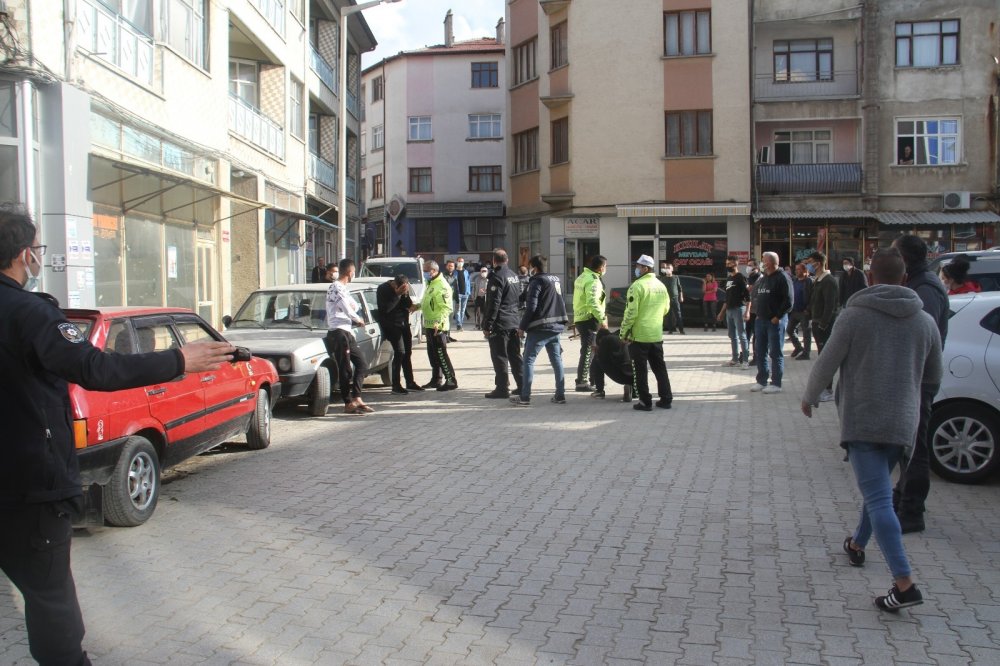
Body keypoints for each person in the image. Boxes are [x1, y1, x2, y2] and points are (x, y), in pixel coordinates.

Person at [0, 207, 237, 666]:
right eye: (37, 251)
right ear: (24, 255)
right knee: (52, 609)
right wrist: (178, 361)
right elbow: (95, 368)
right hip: (29, 488)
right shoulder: (29, 313)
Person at [801, 247, 941, 612]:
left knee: (879, 499)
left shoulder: (854, 317)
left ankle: (904, 582)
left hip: (863, 419)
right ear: (905, 278)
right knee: (877, 489)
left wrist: (809, 397)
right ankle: (857, 544)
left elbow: (826, 362)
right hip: (902, 422)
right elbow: (934, 376)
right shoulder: (924, 321)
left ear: (871, 277)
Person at [891, 234, 949, 534]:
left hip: (919, 379)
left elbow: (921, 335)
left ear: (905, 258)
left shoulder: (924, 288)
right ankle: (902, 498)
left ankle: (911, 511)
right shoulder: (917, 283)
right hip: (913, 377)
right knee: (907, 445)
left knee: (915, 447)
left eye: (894, 254)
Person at [510, 255, 568, 406]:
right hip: (556, 326)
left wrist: (522, 327)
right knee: (556, 360)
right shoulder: (555, 279)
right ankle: (560, 395)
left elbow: (532, 307)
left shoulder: (537, 281)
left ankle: (525, 397)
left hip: (540, 327)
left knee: (528, 360)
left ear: (534, 268)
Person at [622, 255, 672, 411]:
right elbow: (666, 309)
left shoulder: (636, 286)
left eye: (638, 267)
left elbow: (631, 313)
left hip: (640, 336)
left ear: (645, 268)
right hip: (656, 334)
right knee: (660, 368)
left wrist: (623, 332)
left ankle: (645, 401)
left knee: (640, 370)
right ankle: (666, 399)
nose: (636, 269)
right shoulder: (661, 286)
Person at [325, 258, 373, 414]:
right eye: (354, 272)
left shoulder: (344, 288)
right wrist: (357, 319)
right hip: (338, 332)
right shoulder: (336, 287)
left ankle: (357, 397)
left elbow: (355, 304)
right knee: (345, 369)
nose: (354, 275)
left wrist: (354, 310)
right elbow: (347, 308)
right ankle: (347, 403)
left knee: (362, 364)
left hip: (347, 331)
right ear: (350, 272)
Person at [482, 248, 523, 399]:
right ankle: (522, 384)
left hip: (501, 323)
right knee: (515, 355)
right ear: (507, 260)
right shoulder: (514, 275)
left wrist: (487, 325)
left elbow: (494, 303)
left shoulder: (497, 277)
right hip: (514, 321)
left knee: (499, 356)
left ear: (494, 261)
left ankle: (502, 388)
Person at [748, 251, 791, 394]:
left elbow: (789, 301)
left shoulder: (782, 277)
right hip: (761, 320)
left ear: (772, 262)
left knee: (775, 352)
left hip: (775, 321)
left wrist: (777, 316)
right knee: (760, 350)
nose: (762, 263)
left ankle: (776, 383)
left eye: (764, 260)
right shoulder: (764, 278)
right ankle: (761, 380)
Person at [412, 260, 457, 391]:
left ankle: (451, 380)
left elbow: (447, 308)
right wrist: (417, 306)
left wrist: (439, 322)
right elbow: (427, 302)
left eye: (426, 270)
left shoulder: (442, 286)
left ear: (433, 270)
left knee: (441, 354)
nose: (424, 273)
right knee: (432, 355)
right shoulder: (430, 283)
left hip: (438, 326)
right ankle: (436, 379)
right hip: (430, 325)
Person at [376, 274, 423, 395]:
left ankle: (410, 382)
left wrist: (414, 304)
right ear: (394, 284)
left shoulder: (404, 289)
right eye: (400, 287)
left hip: (403, 323)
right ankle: (396, 385)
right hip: (391, 325)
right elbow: (385, 309)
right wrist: (397, 294)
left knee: (407, 353)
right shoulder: (383, 289)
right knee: (400, 352)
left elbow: (407, 304)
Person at [806, 251, 839, 402]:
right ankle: (823, 387)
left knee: (826, 358)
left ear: (818, 263)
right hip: (816, 322)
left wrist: (824, 324)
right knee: (821, 357)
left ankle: (828, 389)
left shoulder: (829, 281)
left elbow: (830, 306)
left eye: (810, 262)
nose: (809, 265)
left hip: (823, 325)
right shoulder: (817, 280)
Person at [572, 254, 608, 392]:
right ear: (600, 267)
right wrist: (602, 318)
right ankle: (581, 382)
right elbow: (592, 301)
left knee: (591, 350)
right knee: (588, 351)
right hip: (589, 319)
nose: (606, 269)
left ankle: (593, 379)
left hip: (581, 317)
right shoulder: (593, 280)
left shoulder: (582, 276)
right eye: (605, 266)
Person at [716, 256, 750, 368]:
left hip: (739, 309)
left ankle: (745, 361)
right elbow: (727, 298)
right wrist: (721, 312)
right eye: (727, 263)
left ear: (736, 264)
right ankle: (735, 359)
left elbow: (748, 297)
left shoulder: (741, 278)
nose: (728, 266)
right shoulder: (729, 279)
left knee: (742, 335)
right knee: (732, 336)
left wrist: (747, 311)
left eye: (730, 264)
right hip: (729, 310)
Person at [589, 327, 633, 402]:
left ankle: (599, 391)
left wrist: (597, 351)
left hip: (621, 375)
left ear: (600, 339)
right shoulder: (618, 336)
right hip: (632, 376)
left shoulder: (605, 340)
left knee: (597, 361)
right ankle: (633, 390)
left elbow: (602, 358)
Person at [788, 262, 814, 360]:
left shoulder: (809, 281)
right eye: (796, 269)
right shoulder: (795, 281)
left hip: (804, 312)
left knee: (806, 332)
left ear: (804, 270)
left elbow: (813, 297)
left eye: (799, 269)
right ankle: (798, 347)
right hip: (794, 310)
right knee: (789, 330)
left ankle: (806, 353)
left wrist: (808, 308)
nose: (796, 271)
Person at [657, 262, 685, 334]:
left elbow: (679, 288)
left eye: (669, 268)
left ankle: (681, 330)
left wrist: (681, 296)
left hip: (675, 298)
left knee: (678, 314)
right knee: (668, 316)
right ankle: (670, 330)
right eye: (666, 268)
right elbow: (660, 289)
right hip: (666, 299)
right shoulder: (663, 279)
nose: (667, 269)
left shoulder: (675, 277)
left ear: (672, 269)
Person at [453, 257, 472, 331]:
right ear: (456, 262)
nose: (460, 263)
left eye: (462, 261)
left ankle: (460, 323)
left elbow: (468, 282)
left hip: (465, 293)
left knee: (463, 310)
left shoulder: (466, 272)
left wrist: (469, 292)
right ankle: (459, 324)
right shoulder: (455, 272)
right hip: (458, 294)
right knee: (457, 310)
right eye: (459, 261)